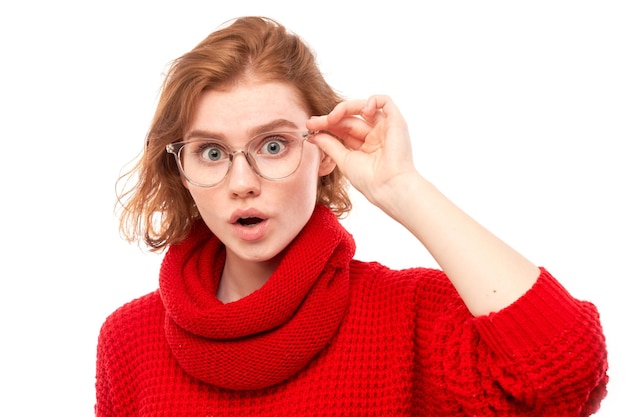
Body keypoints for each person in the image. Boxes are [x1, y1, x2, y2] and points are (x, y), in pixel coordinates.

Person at [95, 16, 608, 416]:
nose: (242, 182)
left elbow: (566, 370)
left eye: (273, 145)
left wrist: (401, 186)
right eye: (211, 152)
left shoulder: (407, 316)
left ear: (323, 153)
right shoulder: (128, 341)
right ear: (181, 169)